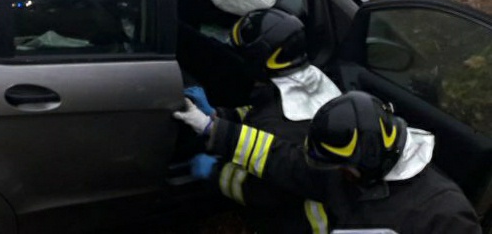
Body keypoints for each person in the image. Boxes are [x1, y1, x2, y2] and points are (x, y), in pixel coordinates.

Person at [174, 91, 481, 233]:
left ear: (370, 161)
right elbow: (284, 159)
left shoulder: (444, 214)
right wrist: (214, 129)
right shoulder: (352, 170)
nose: (337, 174)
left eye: (342, 168)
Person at [183, 8, 342, 234]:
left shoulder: (277, 125)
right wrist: (217, 117)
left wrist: (215, 172)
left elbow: (262, 192)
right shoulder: (309, 80)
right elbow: (259, 112)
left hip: (306, 225)